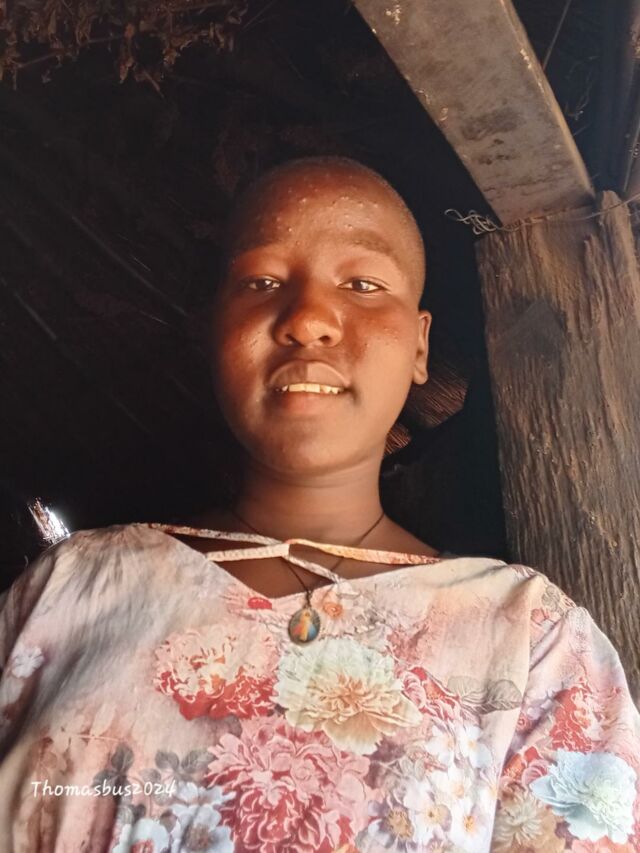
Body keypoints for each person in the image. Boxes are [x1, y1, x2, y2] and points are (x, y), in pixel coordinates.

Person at [0, 156, 639, 852]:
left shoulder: (531, 643)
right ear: (213, 330)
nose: (307, 320)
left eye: (363, 284)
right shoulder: (71, 589)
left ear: (419, 344)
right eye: (262, 282)